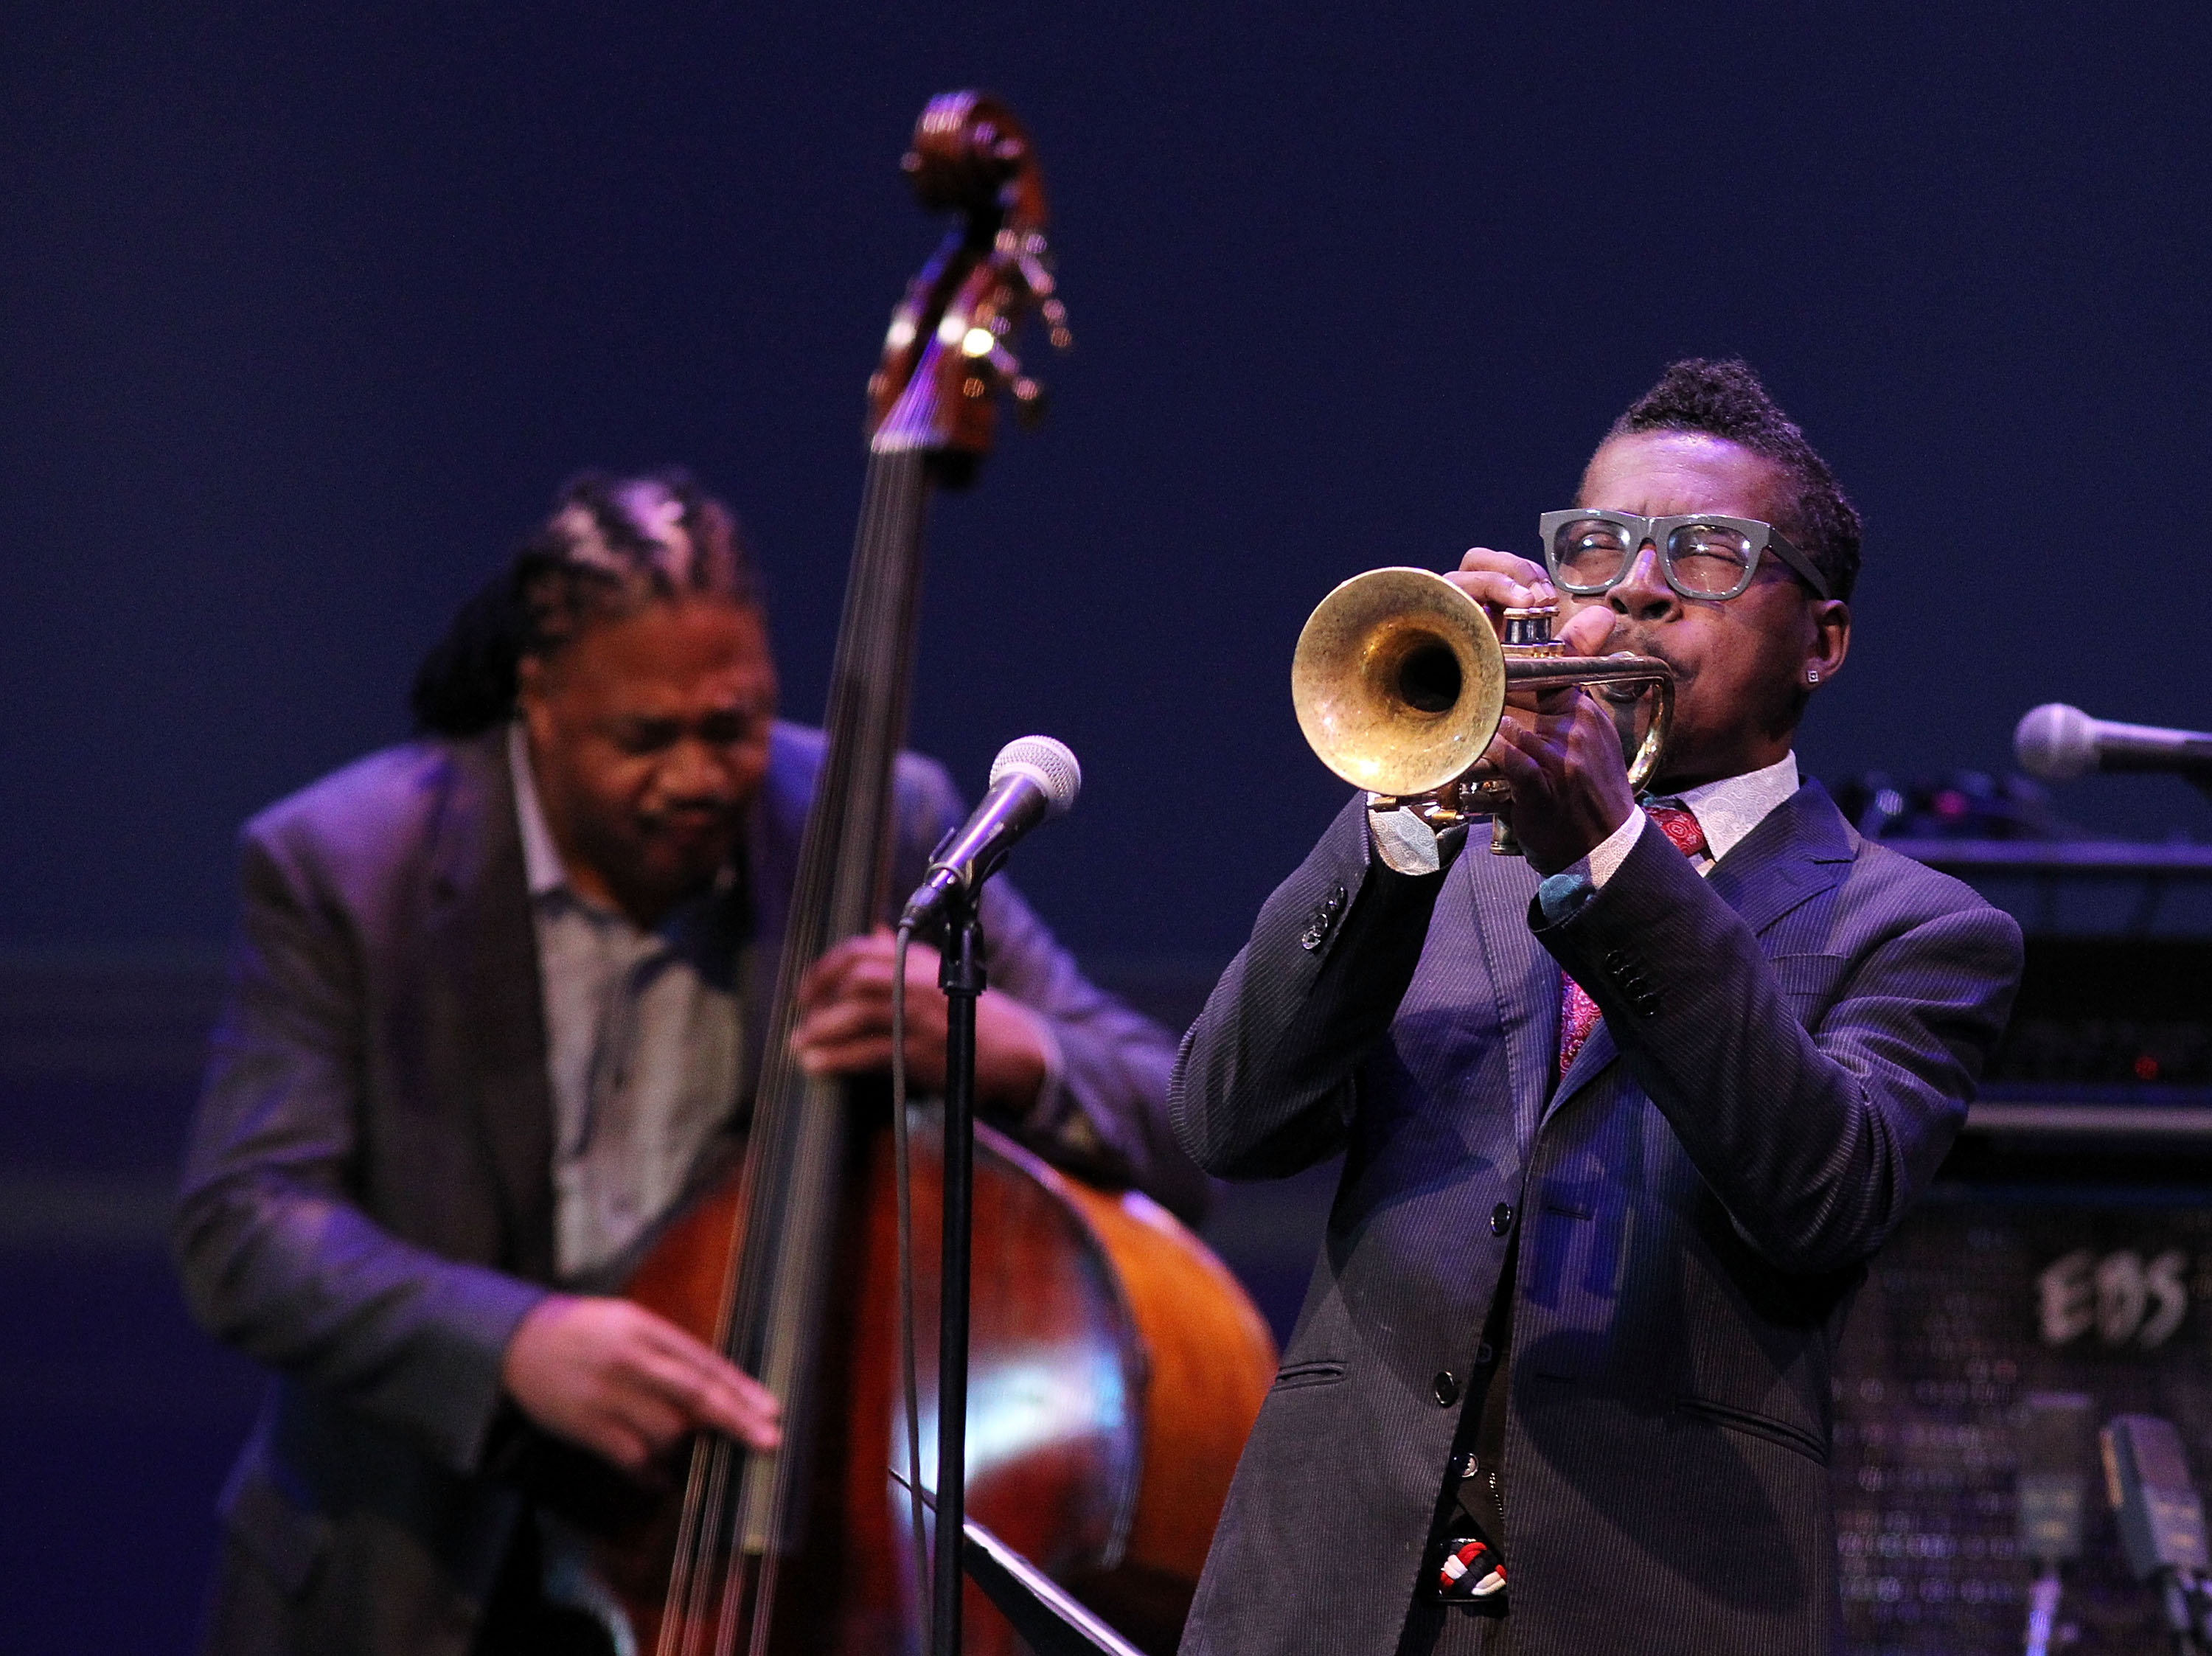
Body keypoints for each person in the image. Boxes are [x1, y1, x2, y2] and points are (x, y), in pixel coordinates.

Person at [174, 470, 1200, 1655]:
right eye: (645, 738)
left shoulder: (871, 821)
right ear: (538, 700)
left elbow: (1176, 1120)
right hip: (403, 1577)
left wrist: (1010, 1053)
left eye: (735, 723)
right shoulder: (344, 867)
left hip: (742, 1578)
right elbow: (245, 1222)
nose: (703, 775)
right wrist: (513, 1342)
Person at [1170, 360, 2024, 1655]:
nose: (1635, 584)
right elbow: (1228, 1121)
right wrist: (1401, 818)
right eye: (1598, 545)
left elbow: (1820, 1192)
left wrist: (1614, 862)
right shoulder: (1448, 860)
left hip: (1658, 1602)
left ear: (1824, 639)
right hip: (1330, 1594)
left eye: (1710, 553)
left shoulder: (1918, 928)